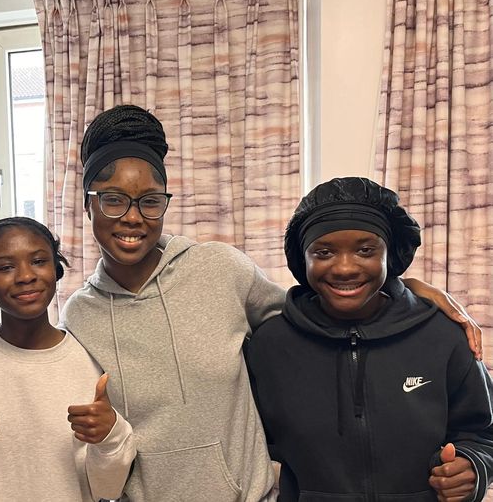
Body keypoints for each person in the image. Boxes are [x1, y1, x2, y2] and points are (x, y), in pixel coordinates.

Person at [60, 104, 484, 501]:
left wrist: (401, 287)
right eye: (112, 199)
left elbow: (317, 314)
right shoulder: (79, 316)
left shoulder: (221, 270)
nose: (132, 217)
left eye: (150, 200)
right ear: (87, 203)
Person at [246, 177, 493, 501]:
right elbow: (243, 441)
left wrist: (473, 467)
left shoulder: (441, 336)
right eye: (323, 252)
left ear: (390, 255)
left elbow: (483, 433)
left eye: (365, 250)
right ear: (301, 259)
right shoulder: (271, 347)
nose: (345, 267)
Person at [0, 217, 136, 501]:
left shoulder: (90, 358)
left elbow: (108, 488)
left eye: (38, 261)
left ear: (56, 269)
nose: (25, 276)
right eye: (5, 267)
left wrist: (109, 435)